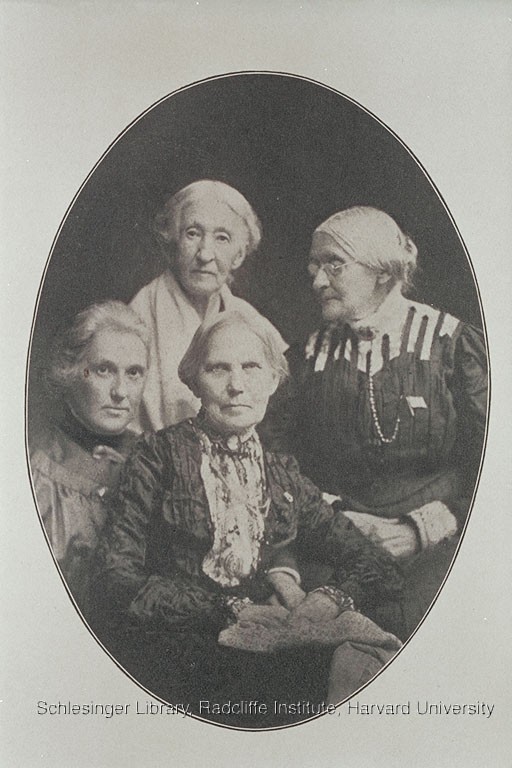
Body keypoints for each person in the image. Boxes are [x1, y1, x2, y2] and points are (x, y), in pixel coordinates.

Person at [94, 311, 403, 728]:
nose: (237, 385)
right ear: (194, 380)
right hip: (171, 650)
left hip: (261, 644)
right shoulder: (158, 455)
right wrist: (226, 609)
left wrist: (329, 597)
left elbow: (373, 562)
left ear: (274, 380)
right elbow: (117, 577)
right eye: (218, 368)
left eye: (252, 367)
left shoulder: (281, 474)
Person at [261, 206, 487, 638]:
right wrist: (332, 519)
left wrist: (423, 529)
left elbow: (497, 462)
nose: (317, 280)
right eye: (315, 265)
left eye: (334, 265)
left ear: (382, 272)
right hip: (335, 545)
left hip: (441, 548)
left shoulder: (452, 344)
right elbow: (275, 460)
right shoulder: (307, 356)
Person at [130, 179, 286, 431]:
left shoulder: (249, 319)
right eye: (192, 233)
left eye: (222, 238)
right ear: (173, 242)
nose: (205, 254)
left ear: (238, 255)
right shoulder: (137, 318)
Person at [29, 301, 150, 618]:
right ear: (68, 373)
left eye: (134, 373)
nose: (121, 391)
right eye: (104, 370)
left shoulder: (155, 457)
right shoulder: (37, 477)